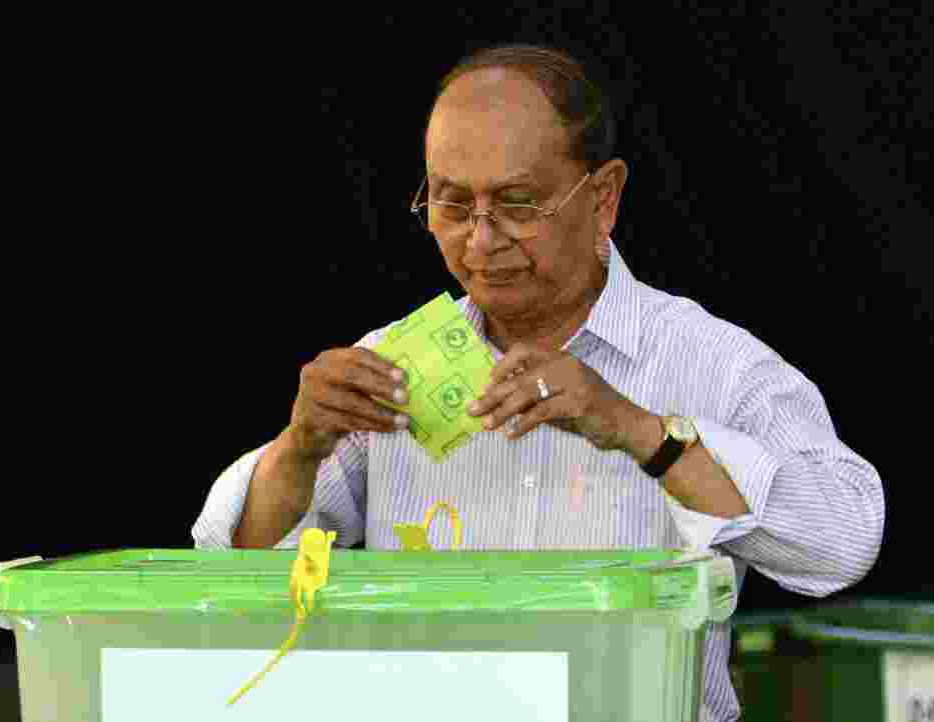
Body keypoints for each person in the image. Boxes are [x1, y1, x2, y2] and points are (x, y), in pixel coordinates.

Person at [193, 43, 885, 722]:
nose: (481, 241)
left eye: (519, 204)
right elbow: (234, 574)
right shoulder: (392, 367)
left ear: (604, 196)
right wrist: (302, 443)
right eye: (451, 204)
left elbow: (842, 544)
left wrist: (641, 433)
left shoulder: (716, 364)